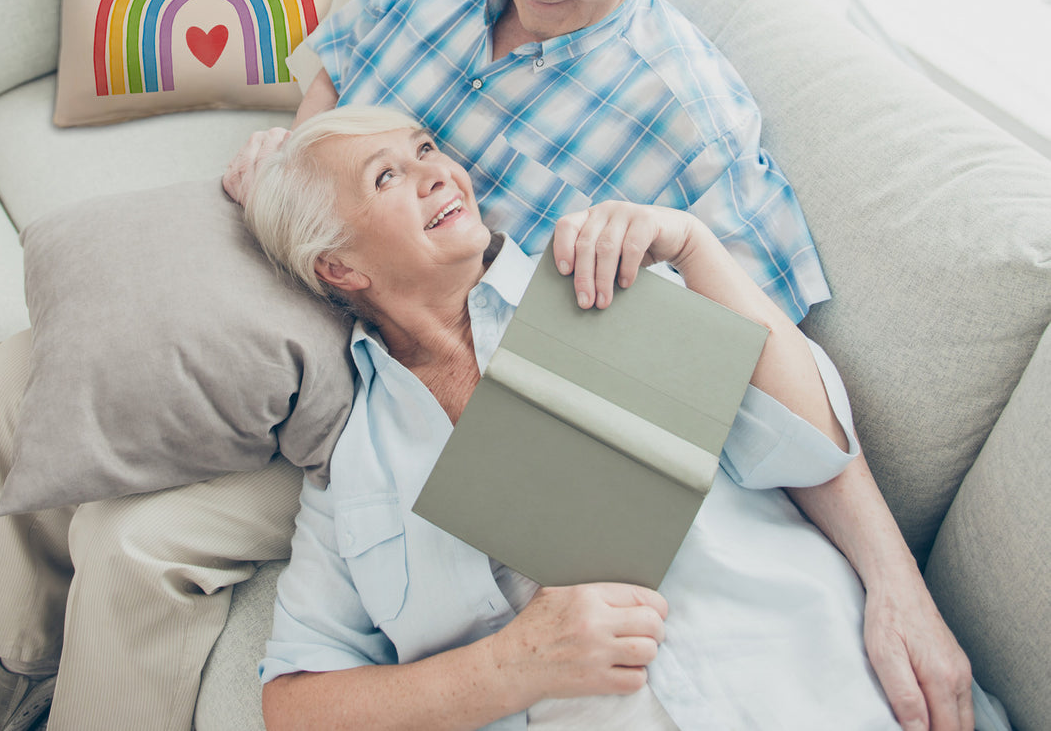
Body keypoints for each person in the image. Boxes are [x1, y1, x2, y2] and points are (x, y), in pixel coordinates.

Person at [226, 0, 973, 730]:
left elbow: (781, 403)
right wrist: (299, 168)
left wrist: (895, 586)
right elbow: (337, 66)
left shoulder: (669, 176)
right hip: (330, 351)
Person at [244, 105, 993, 731]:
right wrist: (509, 667)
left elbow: (809, 446)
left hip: (825, 684)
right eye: (387, 176)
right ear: (339, 267)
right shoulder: (353, 468)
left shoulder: (599, 278)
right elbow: (295, 704)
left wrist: (695, 247)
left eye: (426, 149)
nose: (438, 172)